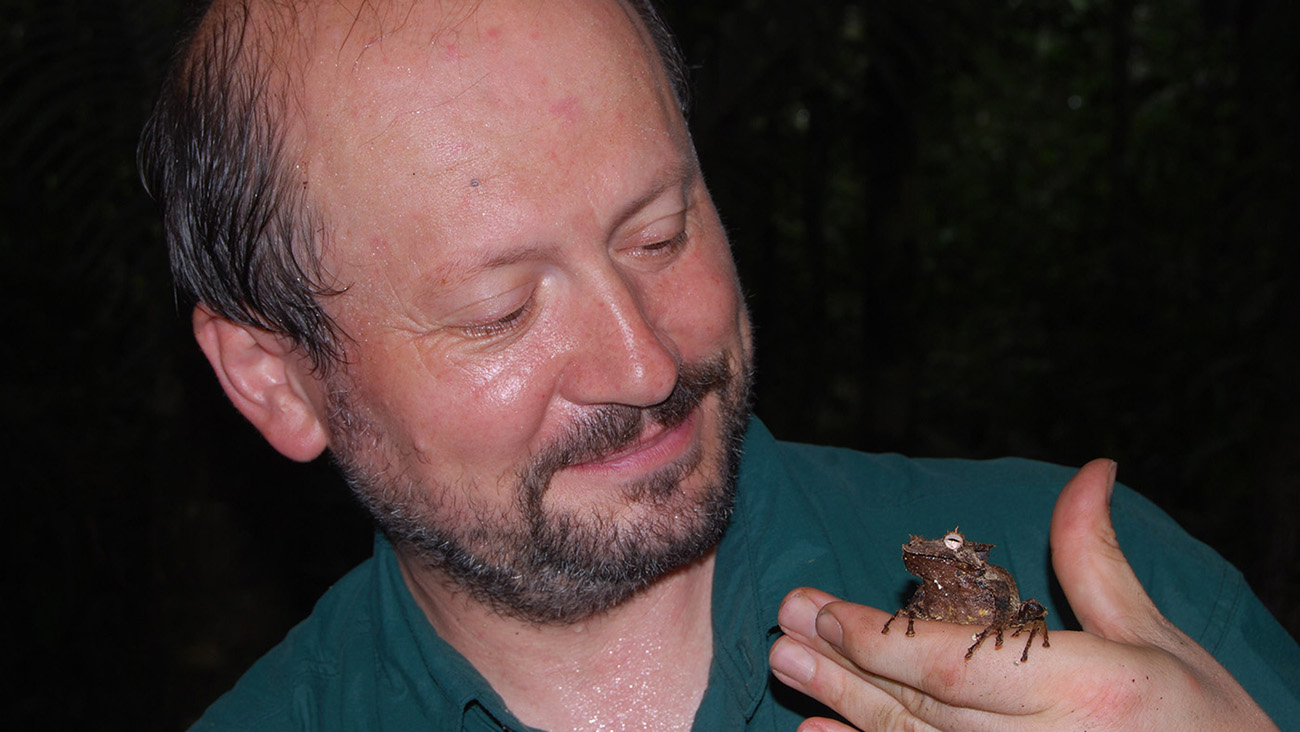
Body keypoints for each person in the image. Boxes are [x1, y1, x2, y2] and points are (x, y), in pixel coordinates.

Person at [139, 0, 1299, 729]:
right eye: (497, 311)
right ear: (275, 380)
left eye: (660, 232)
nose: (646, 365)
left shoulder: (1105, 610)